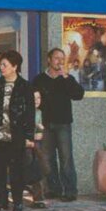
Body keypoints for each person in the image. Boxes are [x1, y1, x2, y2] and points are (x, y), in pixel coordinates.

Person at [0, 51, 35, 211]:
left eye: (5, 65)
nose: (1, 67)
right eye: (1, 64)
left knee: (17, 171)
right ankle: (1, 202)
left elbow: (30, 113)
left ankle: (18, 202)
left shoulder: (25, 86)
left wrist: (29, 135)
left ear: (15, 67)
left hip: (16, 135)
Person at [32, 47, 85, 202]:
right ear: (49, 60)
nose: (60, 61)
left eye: (62, 58)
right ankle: (53, 189)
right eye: (57, 58)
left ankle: (70, 191)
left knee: (66, 158)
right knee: (47, 158)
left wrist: (66, 77)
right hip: (45, 124)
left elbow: (79, 95)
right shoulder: (39, 79)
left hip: (63, 123)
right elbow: (33, 99)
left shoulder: (67, 78)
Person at [25, 90, 49, 209]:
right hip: (26, 144)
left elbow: (42, 130)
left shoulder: (40, 112)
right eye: (33, 98)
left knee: (39, 169)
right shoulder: (24, 112)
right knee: (27, 167)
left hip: (38, 144)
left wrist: (41, 130)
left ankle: (39, 198)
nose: (36, 101)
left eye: (39, 98)